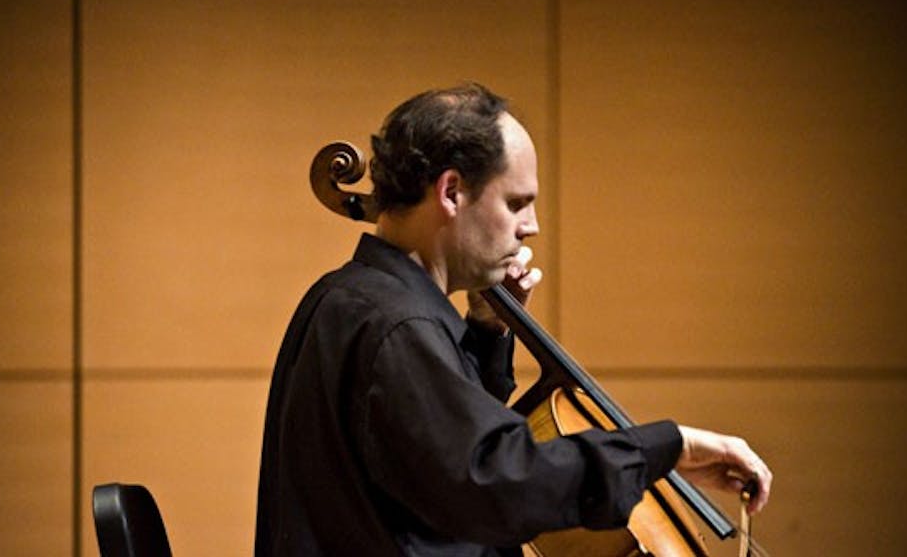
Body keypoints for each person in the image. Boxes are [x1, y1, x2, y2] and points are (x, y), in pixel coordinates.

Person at [255, 83, 772, 557]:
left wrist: (486, 331)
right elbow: (498, 482)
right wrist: (666, 448)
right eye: (517, 203)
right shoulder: (396, 324)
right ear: (451, 192)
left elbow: (426, 461)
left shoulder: (347, 298)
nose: (532, 226)